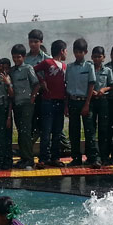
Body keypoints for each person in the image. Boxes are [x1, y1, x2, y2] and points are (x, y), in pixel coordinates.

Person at [34, 39, 68, 167]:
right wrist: (41, 81)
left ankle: (55, 157)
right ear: (62, 51)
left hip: (60, 102)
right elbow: (33, 70)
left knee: (57, 132)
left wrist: (66, 104)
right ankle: (43, 158)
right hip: (48, 101)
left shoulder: (64, 66)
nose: (67, 53)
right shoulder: (47, 62)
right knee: (46, 131)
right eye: (66, 51)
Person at [65, 38, 96, 166]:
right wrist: (66, 106)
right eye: (76, 52)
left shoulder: (89, 66)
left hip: (85, 102)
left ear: (85, 52)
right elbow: (66, 87)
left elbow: (91, 85)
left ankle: (93, 157)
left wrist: (87, 104)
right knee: (74, 131)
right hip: (72, 101)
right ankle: (76, 158)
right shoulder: (69, 67)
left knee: (89, 131)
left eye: (80, 52)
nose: (78, 54)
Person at [9, 44, 41, 170]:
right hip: (17, 104)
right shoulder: (12, 71)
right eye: (14, 57)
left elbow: (36, 84)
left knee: (25, 132)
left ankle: (29, 160)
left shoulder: (28, 68)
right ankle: (24, 157)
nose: (16, 59)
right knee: (20, 132)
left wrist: (32, 98)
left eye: (19, 57)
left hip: (27, 104)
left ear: (23, 57)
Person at [89, 46, 113, 165]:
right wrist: (92, 91)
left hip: (103, 101)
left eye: (99, 56)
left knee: (103, 129)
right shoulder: (89, 69)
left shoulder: (107, 70)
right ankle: (93, 156)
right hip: (91, 100)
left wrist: (103, 89)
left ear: (104, 57)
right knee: (91, 128)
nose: (97, 59)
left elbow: (111, 85)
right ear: (91, 57)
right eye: (95, 57)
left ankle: (104, 155)